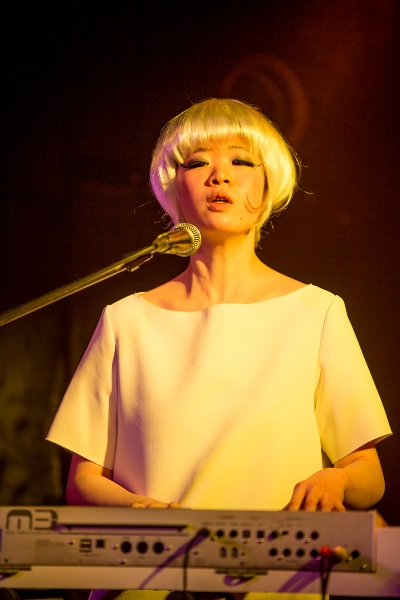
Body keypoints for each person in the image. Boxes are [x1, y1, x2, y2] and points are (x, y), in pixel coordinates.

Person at [46, 98, 391, 597]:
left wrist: (334, 482)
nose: (219, 175)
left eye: (241, 160)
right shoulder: (125, 320)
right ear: (174, 187)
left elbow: (368, 475)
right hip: (148, 582)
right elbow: (83, 483)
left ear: (267, 185)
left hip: (278, 581)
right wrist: (138, 510)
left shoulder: (316, 312)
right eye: (197, 162)